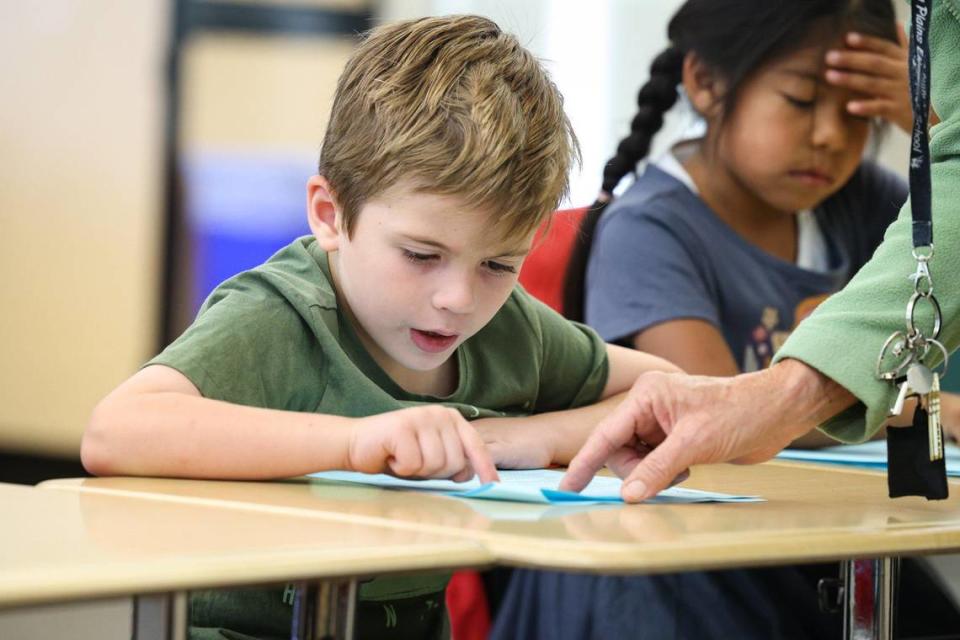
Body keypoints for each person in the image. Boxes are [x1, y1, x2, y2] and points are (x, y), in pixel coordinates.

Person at [80, 15, 678, 640]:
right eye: (421, 255)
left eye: (499, 264)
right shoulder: (281, 314)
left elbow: (667, 397)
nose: (458, 299)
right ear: (330, 214)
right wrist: (355, 443)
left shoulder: (508, 328)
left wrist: (530, 437)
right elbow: (116, 432)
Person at [490, 1, 960, 638]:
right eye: (799, 100)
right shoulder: (649, 227)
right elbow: (711, 410)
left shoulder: (868, 203)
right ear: (707, 84)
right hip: (686, 558)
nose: (828, 135)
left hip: (814, 540)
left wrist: (931, 126)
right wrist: (917, 410)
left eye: (858, 113)